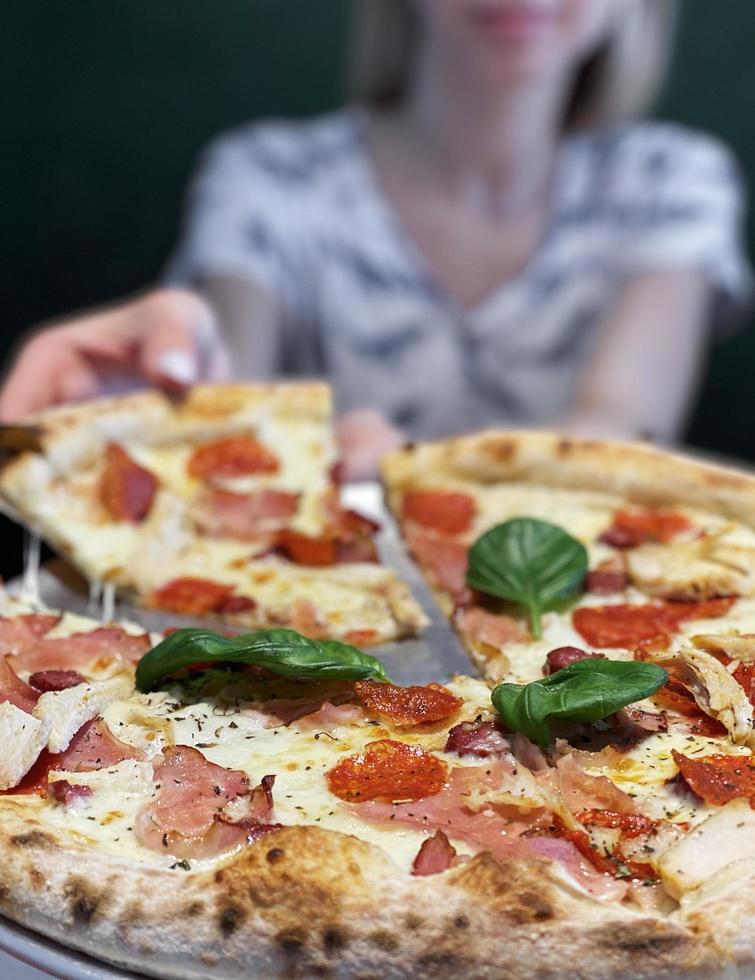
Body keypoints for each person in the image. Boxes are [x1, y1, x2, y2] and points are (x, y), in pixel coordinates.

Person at [1, 0, 751, 479]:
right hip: (302, 649)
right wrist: (156, 403)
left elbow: (619, 428)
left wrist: (418, 475)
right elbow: (229, 393)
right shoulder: (266, 176)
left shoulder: (672, 180)